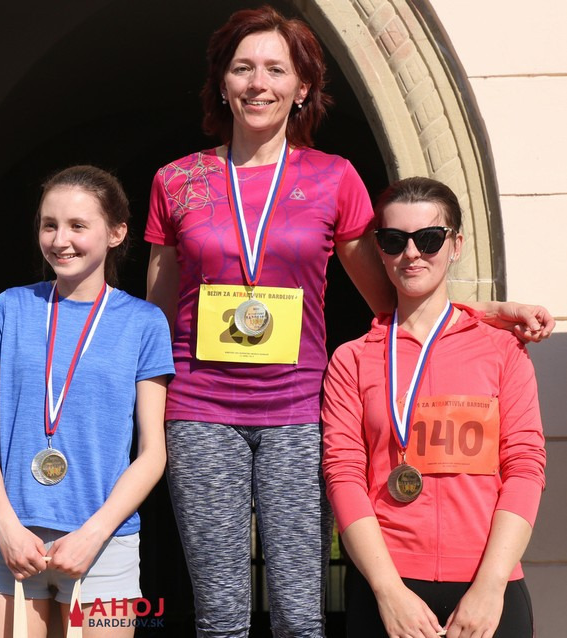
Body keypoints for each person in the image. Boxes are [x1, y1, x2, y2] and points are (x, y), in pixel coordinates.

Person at [144, 6, 554, 637]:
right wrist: (147, 415)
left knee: (300, 612)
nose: (258, 83)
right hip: (201, 411)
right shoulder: (177, 181)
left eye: (276, 69)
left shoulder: (333, 178)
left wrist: (484, 315)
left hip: (298, 411)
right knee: (220, 614)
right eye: (243, 68)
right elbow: (157, 317)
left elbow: (397, 292)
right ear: (222, 83)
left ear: (301, 87)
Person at [322, 177, 546, 637]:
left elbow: (525, 467)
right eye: (394, 240)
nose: (411, 254)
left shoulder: (503, 350)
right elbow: (343, 476)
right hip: (388, 593)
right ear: (379, 249)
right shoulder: (351, 360)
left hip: (489, 591)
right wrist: (388, 591)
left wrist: (490, 588)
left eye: (428, 239)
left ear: (456, 245)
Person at [0, 165, 173, 637]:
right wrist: (6, 528)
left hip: (104, 545)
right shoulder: (10, 308)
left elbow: (152, 452)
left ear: (116, 233)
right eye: (49, 225)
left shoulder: (144, 323)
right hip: (11, 541)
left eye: (78, 225)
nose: (61, 240)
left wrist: (92, 535)